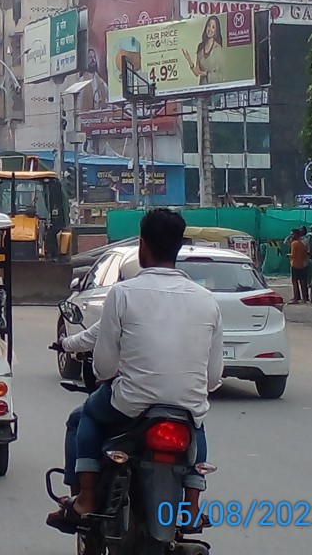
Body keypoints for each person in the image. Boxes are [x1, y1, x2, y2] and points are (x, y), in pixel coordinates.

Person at [47, 209, 222, 533]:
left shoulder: (123, 293)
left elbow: (104, 366)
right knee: (196, 423)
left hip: (130, 403)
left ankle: (85, 498)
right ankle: (193, 508)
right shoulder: (207, 300)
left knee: (83, 418)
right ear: (178, 247)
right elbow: (212, 378)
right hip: (185, 404)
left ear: (142, 246)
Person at [183, 15, 225, 85]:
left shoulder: (217, 48)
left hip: (213, 89)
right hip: (202, 87)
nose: (210, 29)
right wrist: (189, 61)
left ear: (216, 31)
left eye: (213, 27)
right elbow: (197, 73)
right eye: (209, 25)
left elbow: (222, 74)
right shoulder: (200, 47)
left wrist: (207, 74)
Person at [286, 226, 310, 304]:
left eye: (292, 234)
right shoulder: (302, 244)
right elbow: (305, 254)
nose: (291, 236)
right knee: (303, 282)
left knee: (295, 282)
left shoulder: (294, 244)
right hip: (303, 265)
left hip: (295, 265)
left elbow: (293, 255)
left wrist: (289, 255)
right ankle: (305, 298)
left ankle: (296, 298)